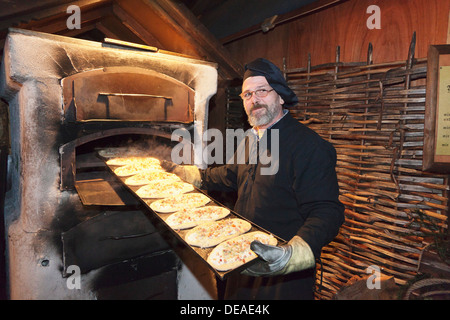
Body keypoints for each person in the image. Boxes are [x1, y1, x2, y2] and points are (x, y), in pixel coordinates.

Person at [165, 58, 344, 300]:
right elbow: (231, 174)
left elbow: (327, 211)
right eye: (247, 94)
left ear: (280, 96)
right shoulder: (250, 139)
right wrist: (191, 175)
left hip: (282, 274)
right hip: (242, 258)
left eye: (262, 91)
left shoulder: (309, 146)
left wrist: (294, 254)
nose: (254, 99)